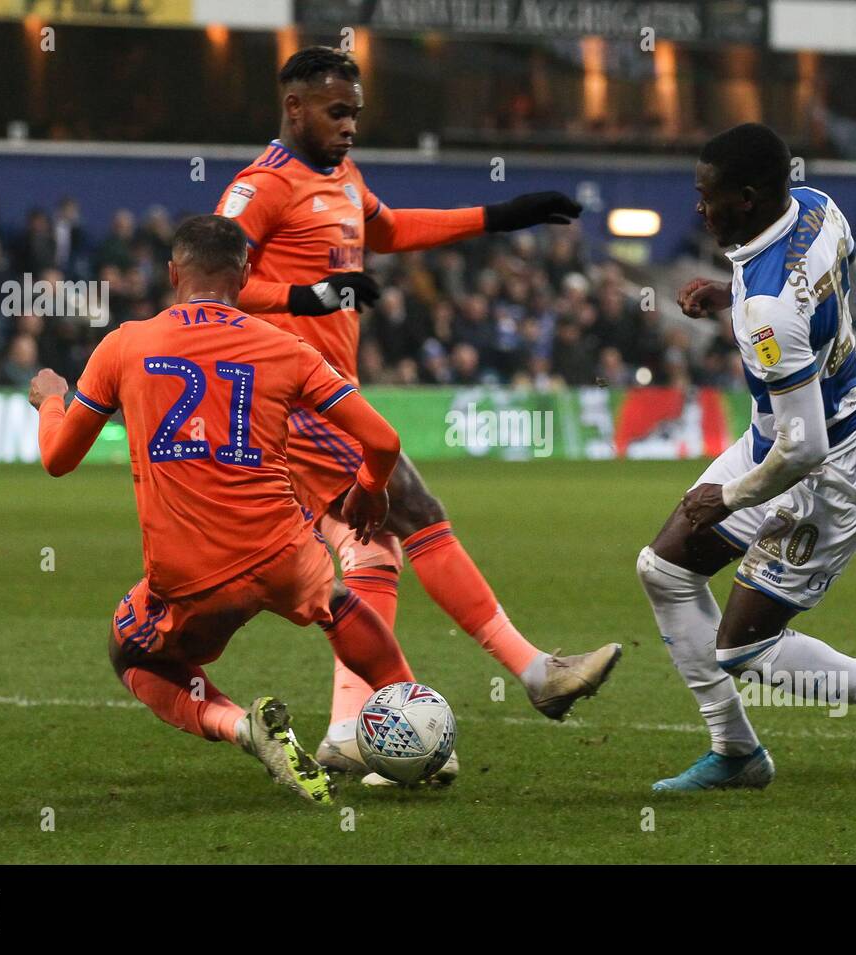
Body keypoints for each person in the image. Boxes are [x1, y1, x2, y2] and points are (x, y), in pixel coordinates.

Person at [214, 46, 620, 780]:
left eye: (356, 114)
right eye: (337, 113)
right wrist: (302, 299)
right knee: (417, 507)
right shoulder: (261, 187)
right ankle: (537, 672)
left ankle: (344, 729)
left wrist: (502, 216)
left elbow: (393, 230)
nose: (350, 127)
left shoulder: (340, 178)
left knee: (372, 549)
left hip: (328, 389)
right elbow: (212, 284)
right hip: (287, 397)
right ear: (295, 107)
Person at [27, 214, 420, 804]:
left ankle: (244, 728)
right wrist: (369, 485)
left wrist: (52, 401)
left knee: (132, 651)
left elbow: (57, 459)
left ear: (171, 272)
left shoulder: (124, 346)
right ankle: (417, 720)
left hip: (192, 573)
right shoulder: (287, 348)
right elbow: (384, 441)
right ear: (245, 274)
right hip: (284, 551)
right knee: (334, 601)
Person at [637, 124, 856, 797]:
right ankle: (736, 751)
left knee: (744, 648)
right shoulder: (817, 205)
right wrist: (735, 299)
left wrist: (727, 500)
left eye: (709, 197)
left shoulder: (769, 309)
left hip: (835, 462)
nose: (700, 209)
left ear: (749, 198)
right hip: (777, 438)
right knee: (665, 568)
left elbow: (806, 445)